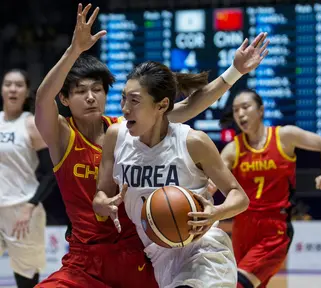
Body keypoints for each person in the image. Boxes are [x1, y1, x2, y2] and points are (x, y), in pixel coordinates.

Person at [35, 3, 269, 287]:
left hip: (140, 251)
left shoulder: (131, 127)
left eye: (97, 90)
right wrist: (75, 50)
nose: (90, 97)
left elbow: (190, 105)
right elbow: (42, 99)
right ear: (65, 99)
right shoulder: (68, 135)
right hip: (87, 256)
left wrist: (234, 71)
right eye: (81, 91)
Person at [93, 58, 252, 288]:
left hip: (204, 249)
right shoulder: (115, 137)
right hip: (160, 256)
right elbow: (100, 195)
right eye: (123, 98)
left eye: (135, 101)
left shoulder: (192, 142)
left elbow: (240, 197)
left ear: (161, 105)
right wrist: (104, 204)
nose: (125, 108)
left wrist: (215, 213)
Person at [209, 89, 321, 288]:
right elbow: (212, 182)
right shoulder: (233, 149)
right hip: (242, 226)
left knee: (238, 284)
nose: (240, 114)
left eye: (245, 107)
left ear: (261, 110)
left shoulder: (285, 136)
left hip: (275, 227)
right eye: (235, 110)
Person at [0, 69, 52, 288]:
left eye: (19, 85)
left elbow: (51, 172)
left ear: (26, 92)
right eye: (8, 84)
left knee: (26, 278)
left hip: (22, 211)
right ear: (2, 89)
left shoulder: (31, 124)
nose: (13, 89)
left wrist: (31, 205)